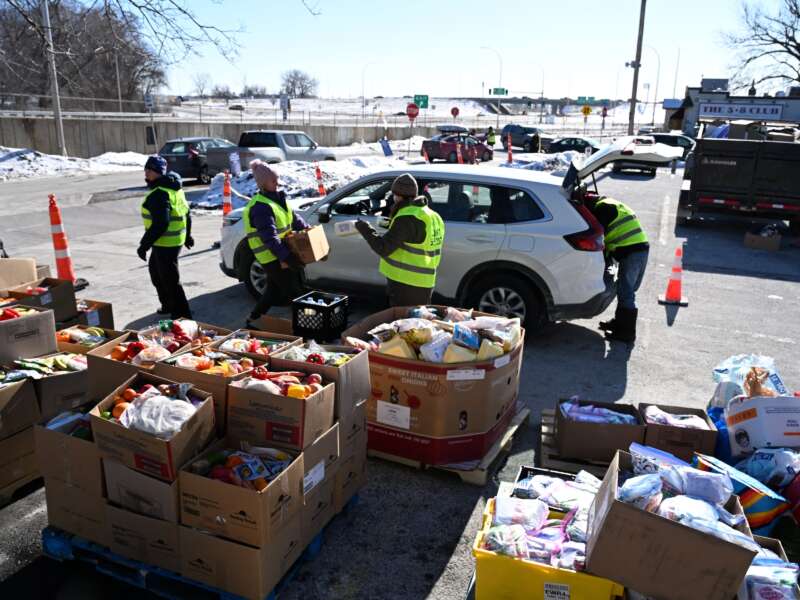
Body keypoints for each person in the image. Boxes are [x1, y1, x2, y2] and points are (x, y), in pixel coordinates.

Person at [355, 173, 445, 307]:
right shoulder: (432, 216)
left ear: (398, 195)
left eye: (394, 194)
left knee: (403, 324)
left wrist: (364, 227)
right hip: (425, 283)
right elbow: (412, 236)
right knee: (417, 323)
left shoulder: (406, 218)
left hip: (405, 284)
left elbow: (383, 248)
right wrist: (386, 223)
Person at [243, 160, 308, 325]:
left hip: (282, 252)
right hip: (271, 257)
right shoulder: (260, 207)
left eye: (277, 179)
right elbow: (270, 238)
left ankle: (253, 319)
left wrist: (308, 230)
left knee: (273, 291)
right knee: (295, 293)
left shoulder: (278, 198)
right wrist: (287, 258)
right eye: (273, 180)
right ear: (264, 183)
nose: (277, 183)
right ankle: (308, 328)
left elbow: (293, 218)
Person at [584, 195, 649, 344]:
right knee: (623, 289)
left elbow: (598, 235)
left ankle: (626, 333)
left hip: (632, 251)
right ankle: (619, 324)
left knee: (627, 291)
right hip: (634, 249)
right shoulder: (610, 204)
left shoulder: (602, 208)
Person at [137, 155, 193, 319]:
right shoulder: (174, 188)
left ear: (158, 172)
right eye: (145, 169)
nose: (146, 173)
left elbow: (161, 223)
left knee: (170, 280)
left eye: (149, 170)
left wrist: (144, 245)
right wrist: (188, 235)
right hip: (172, 241)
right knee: (155, 272)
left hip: (166, 243)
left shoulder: (159, 194)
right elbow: (187, 213)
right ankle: (168, 304)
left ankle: (182, 316)